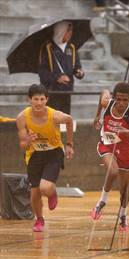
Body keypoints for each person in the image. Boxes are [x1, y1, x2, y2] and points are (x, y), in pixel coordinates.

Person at [16, 84, 74, 232]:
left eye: (42, 99)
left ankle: (52, 192)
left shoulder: (54, 115)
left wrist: (69, 144)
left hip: (53, 152)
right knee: (35, 192)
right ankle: (39, 219)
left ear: (47, 100)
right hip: (34, 154)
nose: (39, 103)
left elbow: (69, 120)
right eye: (36, 99)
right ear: (29, 100)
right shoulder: (22, 118)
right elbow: (23, 145)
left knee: (45, 187)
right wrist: (28, 140)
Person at [91, 82, 129, 232]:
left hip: (125, 149)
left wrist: (124, 131)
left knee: (125, 190)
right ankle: (101, 202)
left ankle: (123, 216)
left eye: (125, 100)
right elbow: (103, 92)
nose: (121, 103)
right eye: (118, 99)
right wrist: (97, 116)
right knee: (112, 171)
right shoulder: (107, 102)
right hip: (107, 144)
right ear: (114, 97)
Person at [38, 21, 84, 115]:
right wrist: (57, 78)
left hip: (67, 90)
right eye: (68, 31)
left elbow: (76, 66)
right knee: (53, 118)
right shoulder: (47, 48)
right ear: (60, 31)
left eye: (71, 31)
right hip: (52, 91)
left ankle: (63, 130)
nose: (70, 34)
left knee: (65, 118)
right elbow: (42, 73)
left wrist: (79, 72)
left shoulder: (71, 48)